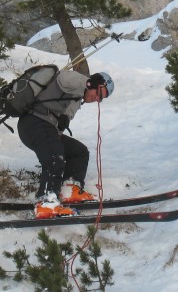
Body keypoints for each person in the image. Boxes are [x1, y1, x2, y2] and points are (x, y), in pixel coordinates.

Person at [17, 68, 115, 219]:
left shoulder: (77, 99)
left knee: (78, 151)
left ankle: (70, 189)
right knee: (55, 158)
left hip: (46, 128)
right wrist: (88, 82)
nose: (97, 99)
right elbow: (65, 78)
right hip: (33, 123)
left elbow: (61, 121)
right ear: (95, 84)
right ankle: (46, 203)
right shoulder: (73, 80)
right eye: (99, 94)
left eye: (101, 99)